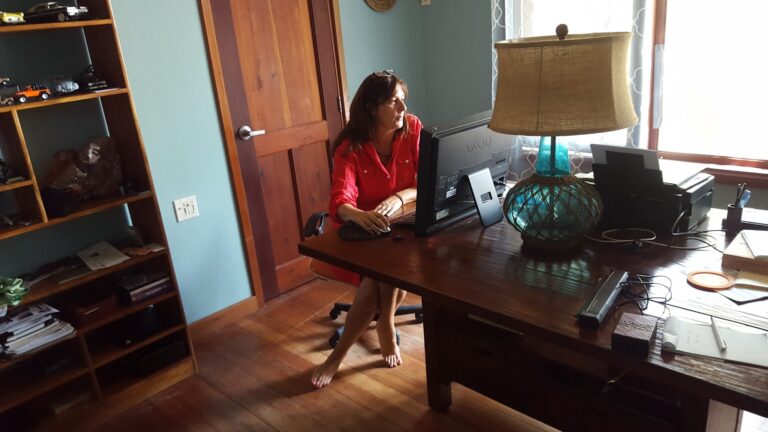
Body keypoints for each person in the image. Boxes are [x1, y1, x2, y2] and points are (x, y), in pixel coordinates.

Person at [311, 70, 422, 389]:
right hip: (365, 230)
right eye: (393, 101)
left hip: (405, 222)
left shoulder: (412, 128)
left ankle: (373, 329)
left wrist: (399, 197)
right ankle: (378, 329)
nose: (403, 109)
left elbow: (423, 181)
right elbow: (340, 198)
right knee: (380, 271)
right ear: (372, 108)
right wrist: (357, 214)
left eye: (403, 100)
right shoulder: (350, 146)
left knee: (393, 262)